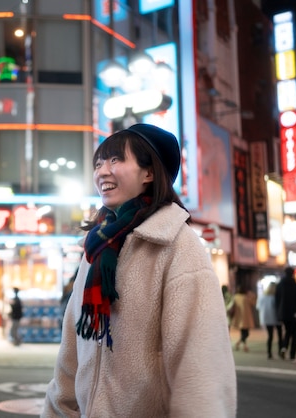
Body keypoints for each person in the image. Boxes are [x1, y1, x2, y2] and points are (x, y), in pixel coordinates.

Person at [41, 124, 236, 417]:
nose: (102, 171)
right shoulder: (96, 249)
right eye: (98, 163)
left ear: (149, 173)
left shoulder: (177, 246)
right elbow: (71, 357)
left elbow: (201, 372)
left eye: (116, 160)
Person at [275, 266, 296, 362]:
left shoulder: (279, 286)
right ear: (293, 273)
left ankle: (283, 347)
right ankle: (292, 355)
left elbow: (277, 301)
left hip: (283, 313)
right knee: (294, 334)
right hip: (294, 314)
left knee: (287, 332)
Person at [257, 282, 283, 359]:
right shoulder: (276, 297)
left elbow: (258, 307)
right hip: (276, 318)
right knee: (280, 335)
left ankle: (269, 353)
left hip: (266, 318)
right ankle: (280, 352)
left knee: (270, 336)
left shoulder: (262, 297)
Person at [228, 282, 256, 352]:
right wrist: (250, 293)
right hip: (245, 317)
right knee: (246, 333)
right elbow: (253, 302)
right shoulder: (246, 297)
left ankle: (241, 344)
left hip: (239, 317)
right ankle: (243, 345)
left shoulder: (236, 296)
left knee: (244, 332)